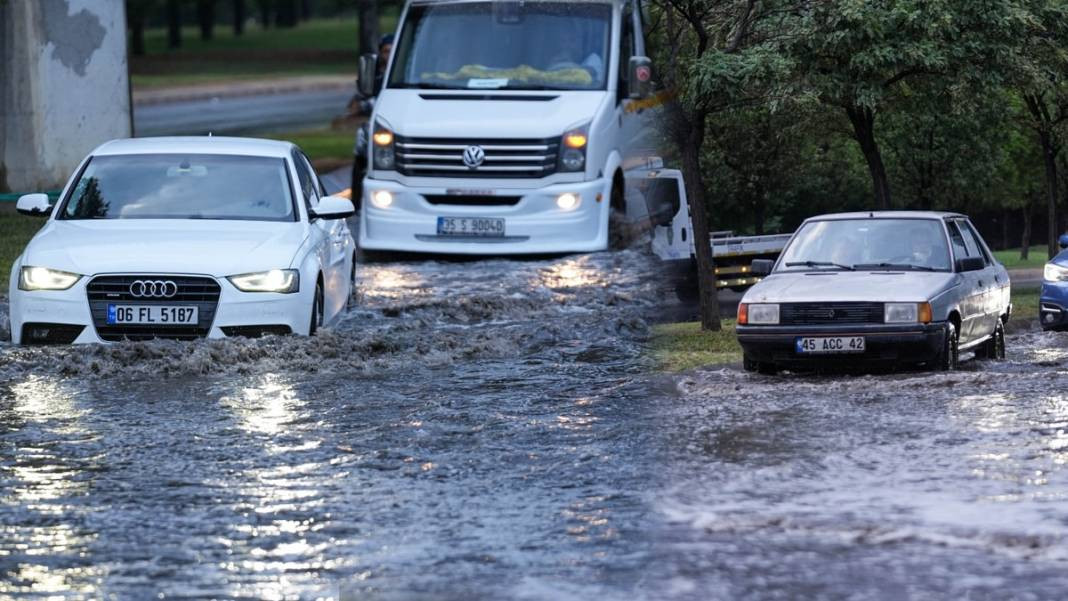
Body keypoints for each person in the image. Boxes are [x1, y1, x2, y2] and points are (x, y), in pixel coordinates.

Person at [349, 34, 394, 209]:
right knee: (361, 142)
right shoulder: (373, 79)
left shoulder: (405, 74)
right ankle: (356, 201)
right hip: (375, 126)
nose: (388, 56)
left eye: (392, 51)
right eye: (385, 51)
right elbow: (355, 103)